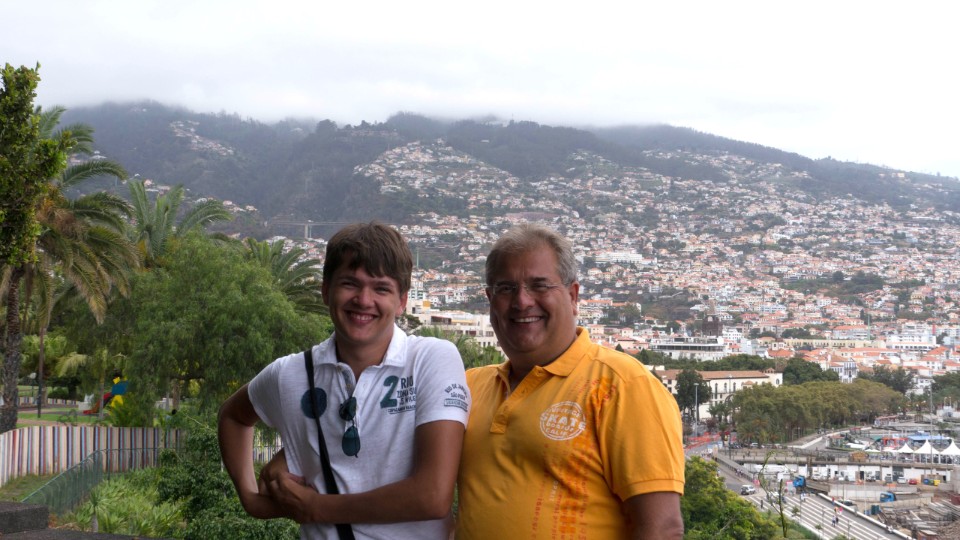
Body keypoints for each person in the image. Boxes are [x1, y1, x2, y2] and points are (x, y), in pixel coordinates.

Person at [218, 222, 470, 539]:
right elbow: (233, 416)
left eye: (381, 289)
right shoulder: (291, 373)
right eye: (350, 284)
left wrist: (318, 507)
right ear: (326, 291)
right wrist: (251, 499)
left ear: (402, 301)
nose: (363, 300)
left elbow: (431, 497)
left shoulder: (429, 359)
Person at [456, 223, 685, 539]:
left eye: (539, 286)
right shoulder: (467, 387)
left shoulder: (622, 385)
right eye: (506, 288)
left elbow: (662, 528)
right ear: (490, 300)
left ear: (573, 296)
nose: (522, 301)